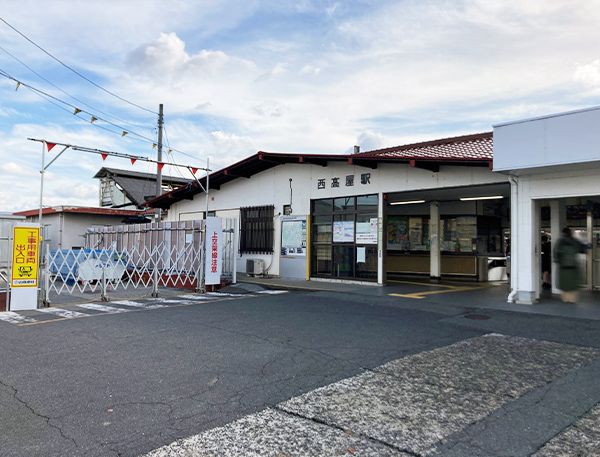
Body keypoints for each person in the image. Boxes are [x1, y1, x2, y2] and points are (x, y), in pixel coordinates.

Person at [553, 227, 584, 303]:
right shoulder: (574, 241)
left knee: (564, 286)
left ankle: (565, 300)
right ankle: (572, 300)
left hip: (563, 267)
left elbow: (556, 253)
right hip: (574, 266)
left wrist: (558, 260)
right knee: (573, 285)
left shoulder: (560, 242)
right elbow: (582, 249)